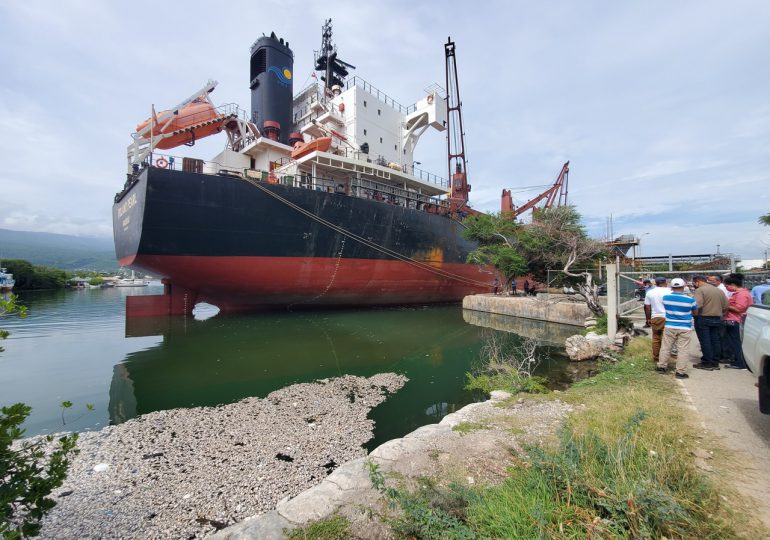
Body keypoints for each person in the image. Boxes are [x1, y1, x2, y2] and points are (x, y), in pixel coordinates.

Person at [657, 278, 698, 379]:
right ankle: (680, 372)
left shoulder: (665, 298)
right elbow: (695, 313)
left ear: (671, 287)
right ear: (684, 287)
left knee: (666, 347)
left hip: (670, 325)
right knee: (683, 350)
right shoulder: (690, 300)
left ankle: (661, 367)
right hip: (685, 327)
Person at [691, 275, 728, 370]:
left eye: (694, 283)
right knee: (715, 340)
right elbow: (725, 306)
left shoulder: (700, 290)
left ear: (698, 282)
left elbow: (697, 305)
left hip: (703, 318)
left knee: (705, 341)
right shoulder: (719, 290)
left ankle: (707, 362)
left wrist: (694, 315)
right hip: (717, 318)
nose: (694, 285)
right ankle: (715, 362)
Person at [722, 275, 752, 369]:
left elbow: (739, 308)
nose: (726, 288)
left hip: (736, 320)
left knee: (736, 342)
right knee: (733, 342)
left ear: (733, 284)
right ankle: (736, 360)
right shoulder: (737, 293)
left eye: (727, 286)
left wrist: (726, 304)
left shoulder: (742, 294)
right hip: (732, 319)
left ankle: (740, 362)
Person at [644, 277, 671, 364]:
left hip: (656, 317)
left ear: (655, 283)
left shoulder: (650, 292)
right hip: (668, 317)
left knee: (656, 339)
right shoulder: (670, 291)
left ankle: (656, 358)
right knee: (667, 340)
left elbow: (647, 307)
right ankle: (665, 360)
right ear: (665, 282)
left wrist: (648, 319)